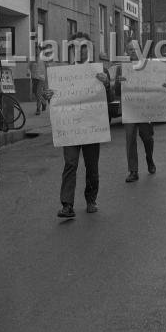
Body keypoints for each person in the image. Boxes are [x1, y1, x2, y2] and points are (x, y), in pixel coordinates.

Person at [43, 32, 111, 218]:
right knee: (70, 164)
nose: (80, 50)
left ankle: (91, 200)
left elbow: (110, 101)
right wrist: (49, 96)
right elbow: (57, 102)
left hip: (91, 127)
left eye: (84, 47)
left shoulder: (100, 71)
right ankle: (67, 205)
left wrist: (106, 85)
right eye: (76, 47)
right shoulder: (63, 74)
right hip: (70, 129)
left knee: (92, 166)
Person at [116, 40, 156, 182]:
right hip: (129, 108)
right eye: (130, 49)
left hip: (144, 109)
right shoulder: (122, 68)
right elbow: (116, 91)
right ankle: (133, 171)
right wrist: (119, 82)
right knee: (130, 139)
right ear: (127, 52)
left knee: (147, 137)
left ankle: (149, 159)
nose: (133, 51)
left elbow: (155, 86)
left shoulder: (147, 66)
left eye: (135, 49)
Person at [29, 45, 48, 115]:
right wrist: (29, 73)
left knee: (38, 93)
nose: (36, 51)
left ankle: (38, 109)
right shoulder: (32, 58)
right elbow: (29, 66)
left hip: (41, 78)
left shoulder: (43, 58)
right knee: (35, 93)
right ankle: (43, 102)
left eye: (38, 50)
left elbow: (48, 66)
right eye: (35, 50)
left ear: (40, 50)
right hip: (34, 78)